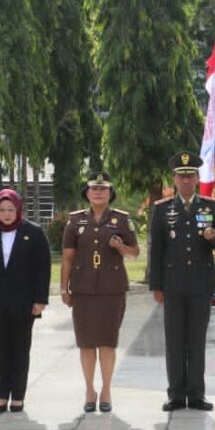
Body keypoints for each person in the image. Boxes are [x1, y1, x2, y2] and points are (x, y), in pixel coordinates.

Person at [148, 152, 215, 412]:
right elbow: (156, 250)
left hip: (200, 283)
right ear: (174, 179)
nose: (185, 180)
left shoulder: (211, 207)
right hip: (172, 284)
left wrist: (212, 237)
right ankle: (175, 395)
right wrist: (157, 286)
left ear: (196, 178)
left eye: (190, 175)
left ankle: (196, 394)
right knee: (174, 340)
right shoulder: (162, 209)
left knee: (196, 340)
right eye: (181, 176)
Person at [60, 172, 140, 413]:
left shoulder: (122, 220)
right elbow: (67, 258)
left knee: (107, 341)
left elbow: (134, 252)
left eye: (103, 189)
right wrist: (64, 287)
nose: (98, 192)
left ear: (110, 193)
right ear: (86, 193)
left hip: (111, 289)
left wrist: (120, 246)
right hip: (83, 289)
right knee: (86, 343)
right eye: (94, 188)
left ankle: (105, 389)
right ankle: (89, 389)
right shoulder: (75, 221)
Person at [0, 188, 51, 413]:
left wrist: (40, 299)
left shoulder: (33, 233)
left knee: (20, 349)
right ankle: (1, 394)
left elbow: (43, 268)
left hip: (24, 303)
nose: (6, 214)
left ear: (18, 209)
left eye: (11, 209)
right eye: (2, 210)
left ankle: (18, 396)